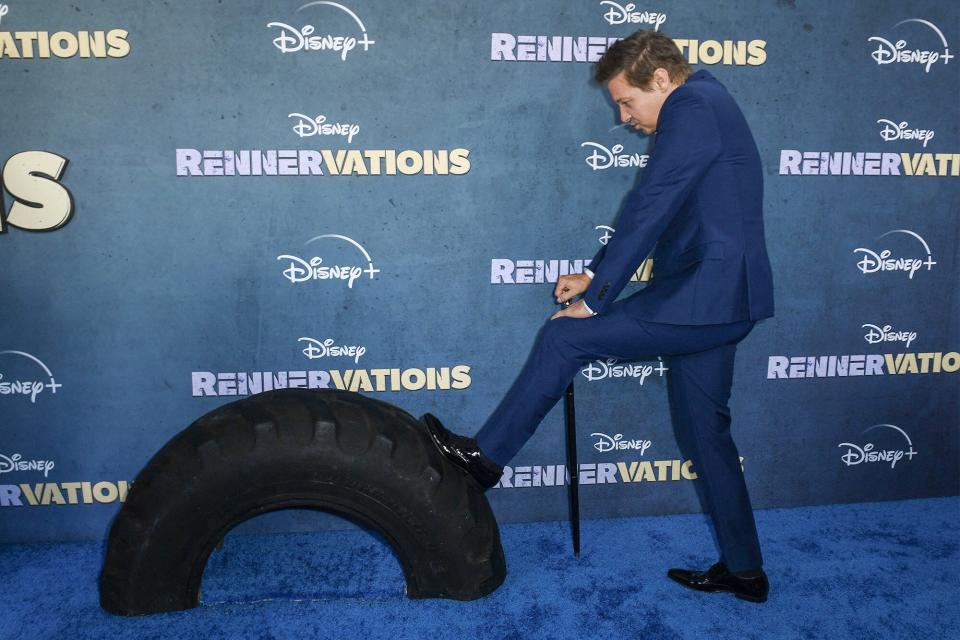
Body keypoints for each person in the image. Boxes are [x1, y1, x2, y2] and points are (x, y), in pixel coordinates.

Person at [422, 29, 775, 603]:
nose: (624, 115)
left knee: (565, 340)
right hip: (719, 299)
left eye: (626, 101)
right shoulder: (709, 100)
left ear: (660, 80)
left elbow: (649, 207)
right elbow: (668, 215)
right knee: (707, 437)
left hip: (703, 298)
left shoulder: (693, 106)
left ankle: (484, 461)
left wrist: (595, 299)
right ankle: (746, 572)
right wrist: (594, 275)